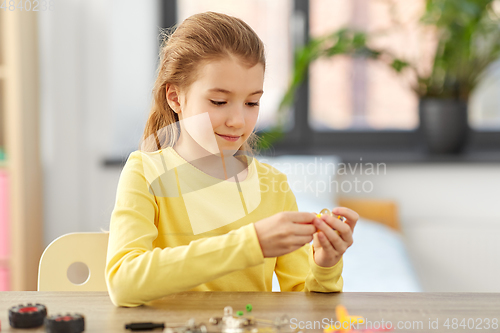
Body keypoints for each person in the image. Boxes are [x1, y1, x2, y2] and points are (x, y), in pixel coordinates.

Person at [105, 11, 358, 308]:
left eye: (252, 102)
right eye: (219, 102)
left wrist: (325, 264)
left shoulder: (271, 186)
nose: (238, 120)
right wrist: (252, 244)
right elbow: (124, 283)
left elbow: (305, 302)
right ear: (175, 98)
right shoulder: (146, 172)